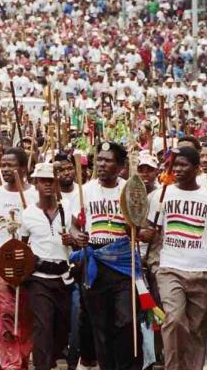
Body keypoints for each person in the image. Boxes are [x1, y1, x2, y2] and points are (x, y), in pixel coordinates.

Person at [143, 146, 207, 370]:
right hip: (170, 269)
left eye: (183, 164)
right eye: (174, 164)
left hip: (202, 270)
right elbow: (150, 229)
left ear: (197, 169)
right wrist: (145, 233)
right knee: (174, 320)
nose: (177, 169)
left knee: (198, 329)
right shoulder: (161, 194)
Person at [70, 141, 141, 370]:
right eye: (99, 159)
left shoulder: (130, 190)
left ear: (120, 166)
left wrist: (137, 229)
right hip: (95, 263)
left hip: (122, 263)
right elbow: (73, 226)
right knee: (100, 326)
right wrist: (77, 236)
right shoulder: (85, 190)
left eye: (108, 160)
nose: (101, 164)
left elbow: (139, 224)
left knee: (126, 322)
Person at [19, 162, 77, 370]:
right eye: (43, 181)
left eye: (51, 181)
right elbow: (22, 247)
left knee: (62, 327)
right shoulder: (28, 214)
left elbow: (78, 234)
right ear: (35, 183)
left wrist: (74, 239)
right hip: (38, 278)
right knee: (42, 326)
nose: (48, 185)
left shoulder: (67, 207)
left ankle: (51, 360)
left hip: (63, 277)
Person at [0, 147, 37, 370]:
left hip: (29, 263)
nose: (6, 169)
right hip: (2, 262)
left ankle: (24, 358)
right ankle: (11, 363)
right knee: (6, 313)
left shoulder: (35, 194)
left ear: (24, 168)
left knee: (26, 314)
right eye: (2, 165)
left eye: (11, 165)